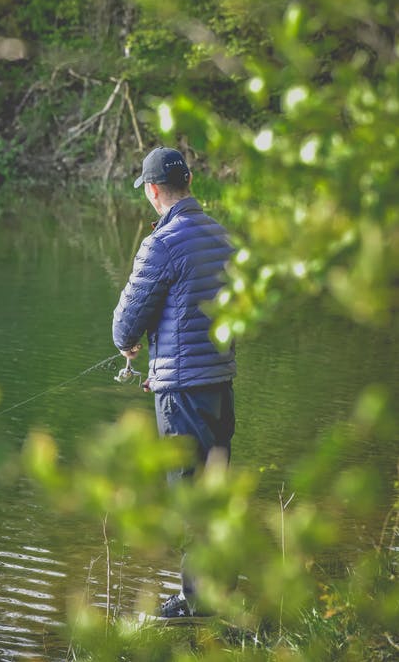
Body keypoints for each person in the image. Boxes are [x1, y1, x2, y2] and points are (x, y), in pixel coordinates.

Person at [112, 146, 236, 620]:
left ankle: (196, 604)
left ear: (153, 190)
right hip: (220, 384)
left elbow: (126, 323)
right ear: (189, 184)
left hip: (182, 391)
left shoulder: (161, 243)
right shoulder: (221, 235)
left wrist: (131, 344)